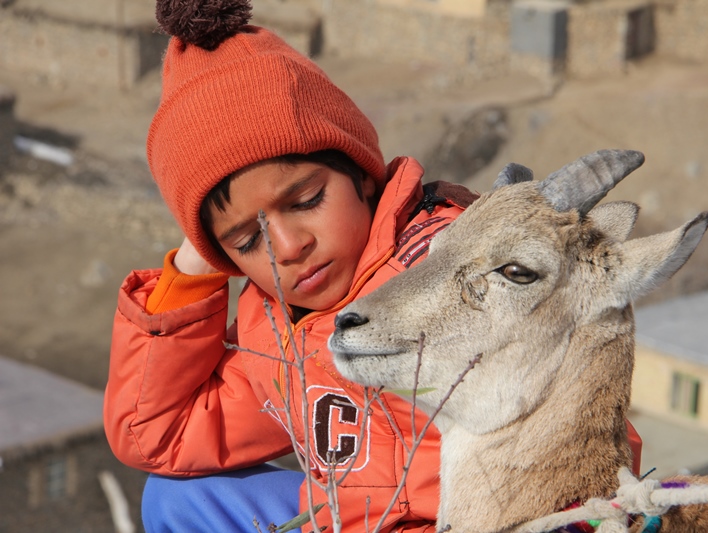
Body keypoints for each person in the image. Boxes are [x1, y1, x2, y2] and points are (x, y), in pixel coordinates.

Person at [104, 1, 641, 531]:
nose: (288, 246)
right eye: (248, 239)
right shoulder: (273, 331)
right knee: (176, 499)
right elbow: (154, 432)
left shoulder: (458, 274)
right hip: (344, 521)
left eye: (307, 200)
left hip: (478, 520)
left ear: (361, 174)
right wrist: (195, 264)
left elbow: (587, 428)